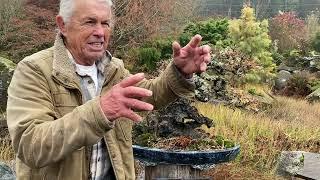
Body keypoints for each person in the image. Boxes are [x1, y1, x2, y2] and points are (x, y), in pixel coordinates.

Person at [6, 0, 211, 179]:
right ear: (63, 25)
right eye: (89, 22)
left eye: (105, 23)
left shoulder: (113, 68)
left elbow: (150, 95)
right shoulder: (34, 70)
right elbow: (30, 145)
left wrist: (180, 72)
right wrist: (100, 111)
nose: (100, 32)